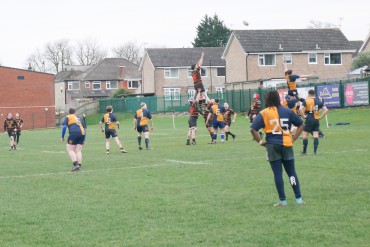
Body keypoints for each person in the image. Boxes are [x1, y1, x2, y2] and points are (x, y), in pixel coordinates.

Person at [250, 90, 304, 206]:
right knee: (291, 173)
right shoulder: (288, 111)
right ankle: (299, 199)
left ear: (268, 100)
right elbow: (301, 124)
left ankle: (283, 201)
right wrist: (293, 138)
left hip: (272, 145)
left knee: (278, 174)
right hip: (286, 144)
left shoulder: (264, 113)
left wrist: (260, 142)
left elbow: (253, 129)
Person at [299, 89, 329, 155]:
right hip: (316, 119)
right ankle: (315, 152)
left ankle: (304, 152)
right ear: (314, 94)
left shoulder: (306, 101)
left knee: (305, 136)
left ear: (308, 94)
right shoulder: (319, 102)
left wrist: (303, 116)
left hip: (309, 119)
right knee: (316, 136)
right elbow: (326, 110)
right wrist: (321, 117)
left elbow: (300, 109)